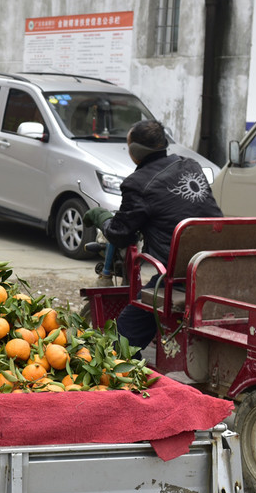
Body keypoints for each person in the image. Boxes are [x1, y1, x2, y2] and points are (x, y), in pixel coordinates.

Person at [82, 119, 222, 349]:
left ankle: (128, 375)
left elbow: (120, 234)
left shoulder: (137, 184)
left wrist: (101, 217)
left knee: (123, 334)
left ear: (135, 151)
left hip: (178, 279)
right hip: (213, 265)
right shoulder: (191, 166)